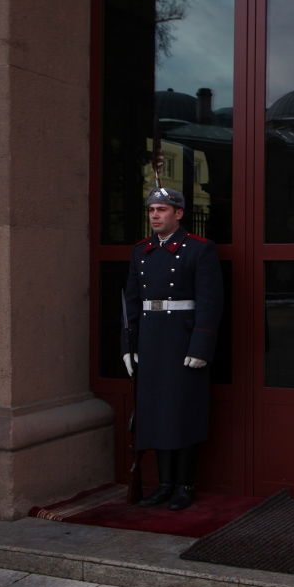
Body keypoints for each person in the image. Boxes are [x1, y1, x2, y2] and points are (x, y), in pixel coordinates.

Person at [121, 187, 223, 511]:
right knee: (155, 413)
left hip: (183, 340)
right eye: (151, 210)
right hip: (150, 340)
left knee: (182, 412)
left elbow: (210, 302)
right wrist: (128, 346)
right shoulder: (141, 251)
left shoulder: (199, 249)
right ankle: (164, 484)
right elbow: (131, 302)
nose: (155, 215)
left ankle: (184, 485)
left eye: (162, 209)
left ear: (178, 213)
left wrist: (201, 346)